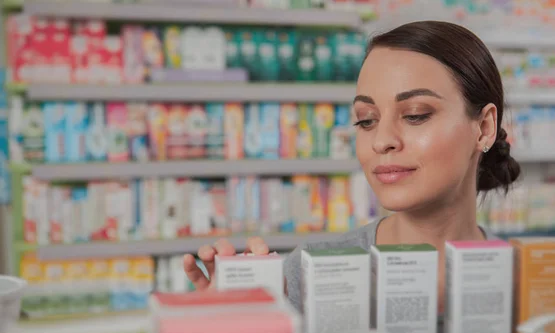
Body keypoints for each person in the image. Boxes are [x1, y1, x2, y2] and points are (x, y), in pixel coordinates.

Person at [182, 20, 521, 314]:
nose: (381, 140)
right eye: (366, 120)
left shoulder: (532, 278)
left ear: (485, 127)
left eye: (416, 114)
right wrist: (239, 332)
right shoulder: (307, 274)